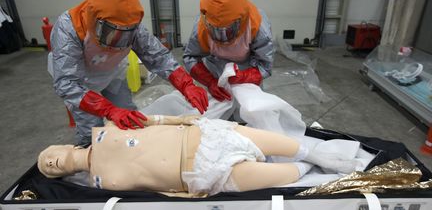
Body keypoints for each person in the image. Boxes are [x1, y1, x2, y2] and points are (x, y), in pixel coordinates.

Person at [50, 0, 208, 146]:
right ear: (95, 20)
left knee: (129, 118)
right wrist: (108, 110)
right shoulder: (68, 28)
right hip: (81, 83)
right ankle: (90, 163)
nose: (118, 43)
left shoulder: (131, 25)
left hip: (112, 73)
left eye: (125, 35)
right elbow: (67, 83)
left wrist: (186, 85)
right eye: (111, 33)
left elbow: (159, 57)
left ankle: (129, 157)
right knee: (91, 131)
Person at [38, 115, 359, 196]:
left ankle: (320, 154)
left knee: (293, 147)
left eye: (48, 156)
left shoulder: (106, 128)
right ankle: (313, 166)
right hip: (201, 176)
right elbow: (151, 195)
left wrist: (187, 119)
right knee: (289, 175)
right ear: (60, 175)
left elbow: (152, 120)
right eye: (49, 169)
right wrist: (187, 195)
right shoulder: (98, 186)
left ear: (62, 146)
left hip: (202, 137)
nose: (50, 163)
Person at [183, 0, 275, 102]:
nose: (222, 37)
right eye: (215, 30)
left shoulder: (257, 25)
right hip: (213, 70)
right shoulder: (201, 27)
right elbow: (190, 57)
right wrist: (210, 81)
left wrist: (243, 77)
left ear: (241, 19)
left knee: (247, 113)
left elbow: (265, 66)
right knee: (215, 119)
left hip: (247, 70)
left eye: (228, 30)